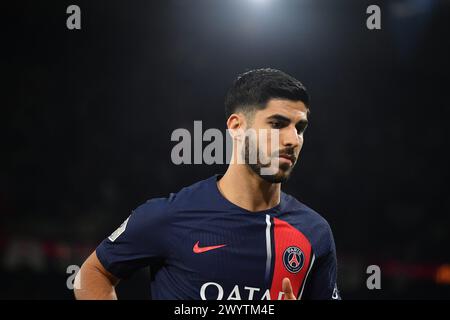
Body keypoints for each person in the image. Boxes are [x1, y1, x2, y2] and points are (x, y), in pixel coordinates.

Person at [74, 68, 340, 300]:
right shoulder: (169, 216)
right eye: (277, 124)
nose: (293, 139)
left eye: (300, 128)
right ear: (236, 127)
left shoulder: (314, 233)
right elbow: (92, 273)